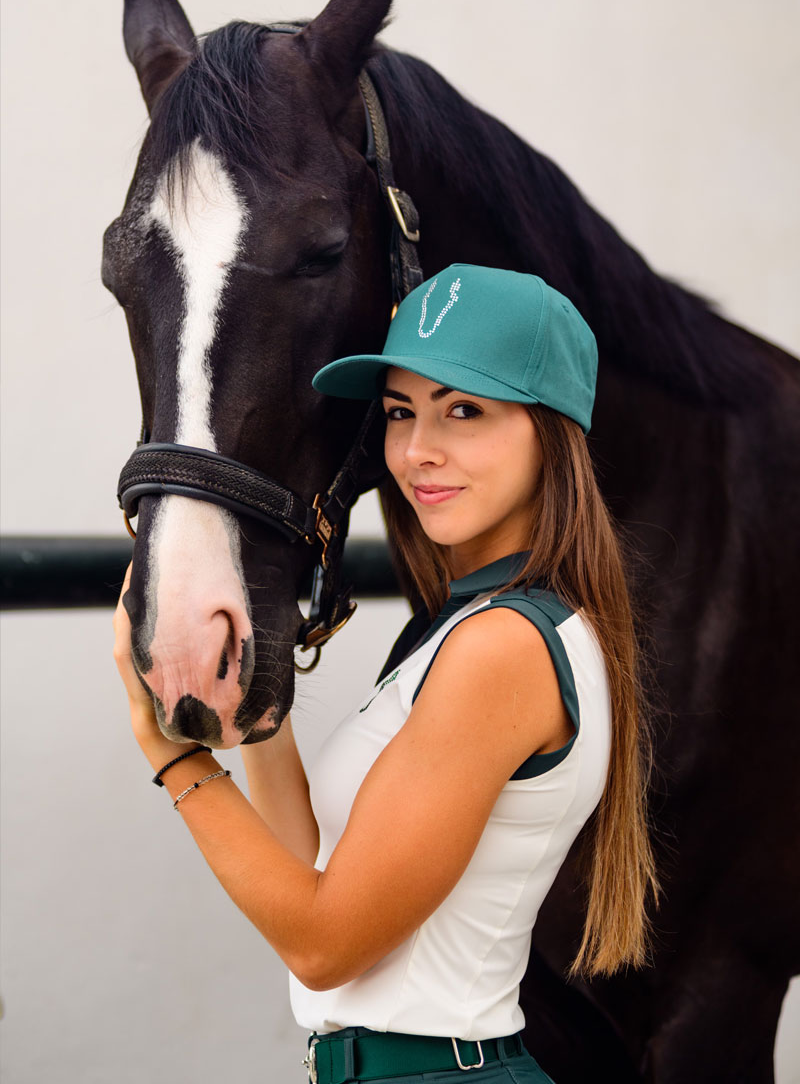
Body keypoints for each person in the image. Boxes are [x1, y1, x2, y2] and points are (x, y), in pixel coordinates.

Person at [114, 263, 657, 1084]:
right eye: (400, 412)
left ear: (551, 433)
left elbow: (325, 943)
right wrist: (258, 709)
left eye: (464, 411)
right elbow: (312, 870)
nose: (417, 451)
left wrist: (172, 756)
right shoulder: (461, 627)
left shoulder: (504, 646)